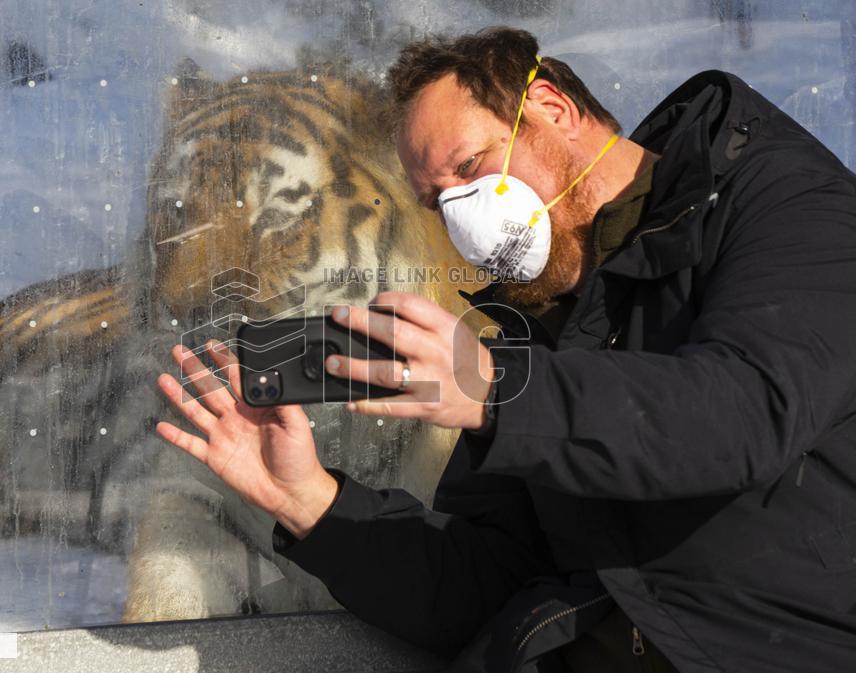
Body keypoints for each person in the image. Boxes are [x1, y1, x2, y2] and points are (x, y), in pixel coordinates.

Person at [153, 27, 856, 673]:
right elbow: (483, 581)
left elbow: (744, 414)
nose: (461, 214)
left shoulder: (785, 203)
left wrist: (498, 392)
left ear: (552, 107)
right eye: (435, 201)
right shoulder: (531, 315)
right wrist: (309, 500)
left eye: (470, 166)